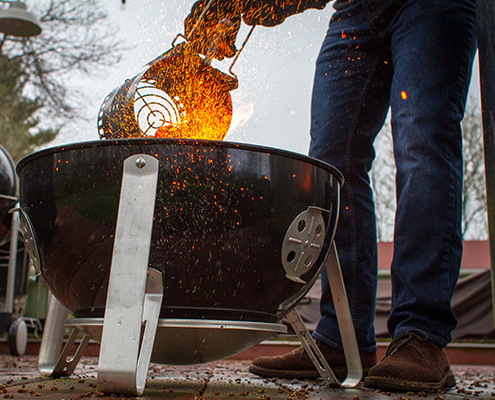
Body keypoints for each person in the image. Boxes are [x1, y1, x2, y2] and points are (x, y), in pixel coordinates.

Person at [184, 0, 477, 392]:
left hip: (430, 7)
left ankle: (421, 335)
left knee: (421, 143)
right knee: (331, 165)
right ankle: (342, 340)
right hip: (355, 12)